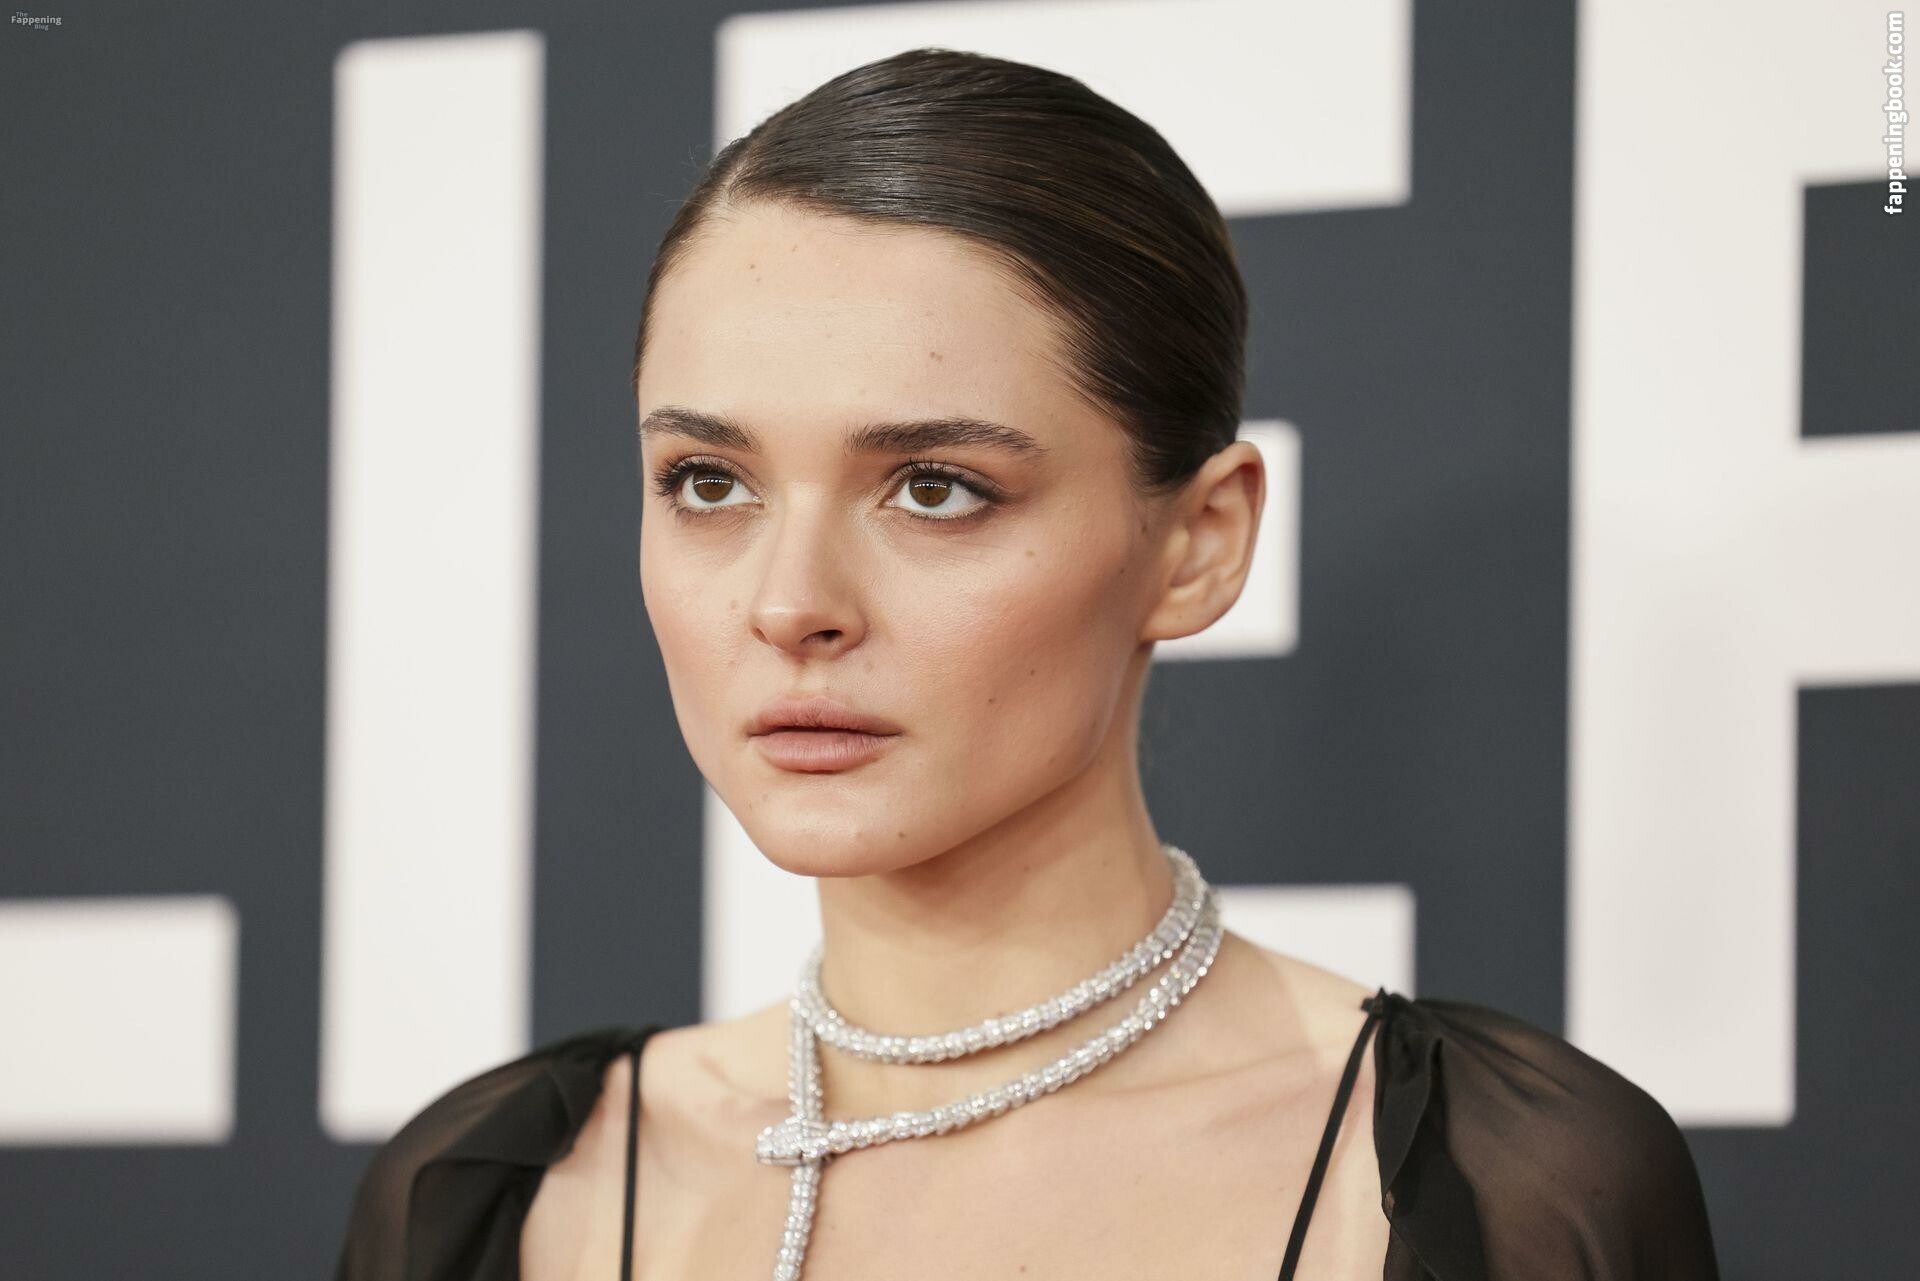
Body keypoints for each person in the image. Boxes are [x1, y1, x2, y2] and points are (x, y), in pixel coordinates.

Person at [332, 47, 1720, 1281]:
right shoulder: (503, 1197)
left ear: (1198, 544)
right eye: (709, 482)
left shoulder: (1486, 1188)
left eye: (935, 489)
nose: (791, 604)